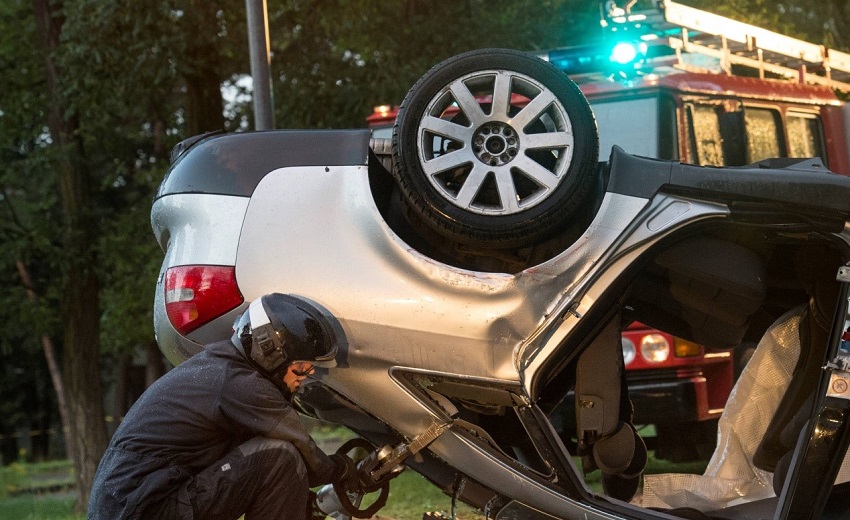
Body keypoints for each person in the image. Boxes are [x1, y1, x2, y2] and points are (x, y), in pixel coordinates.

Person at [88, 293, 359, 520]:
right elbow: (306, 452)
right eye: (300, 369)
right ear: (270, 354)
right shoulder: (240, 384)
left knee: (268, 455)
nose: (303, 380)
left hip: (128, 506)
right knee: (280, 456)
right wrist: (344, 470)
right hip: (145, 509)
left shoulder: (217, 368)